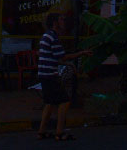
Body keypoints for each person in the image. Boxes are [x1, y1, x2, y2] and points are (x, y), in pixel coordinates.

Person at [37, 12, 91, 141]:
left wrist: (68, 64)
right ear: (55, 23)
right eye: (61, 20)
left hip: (44, 74)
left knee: (49, 102)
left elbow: (56, 58)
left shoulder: (47, 36)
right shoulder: (53, 38)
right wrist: (81, 53)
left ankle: (41, 131)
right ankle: (60, 132)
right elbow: (62, 56)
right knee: (64, 101)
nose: (64, 22)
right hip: (50, 75)